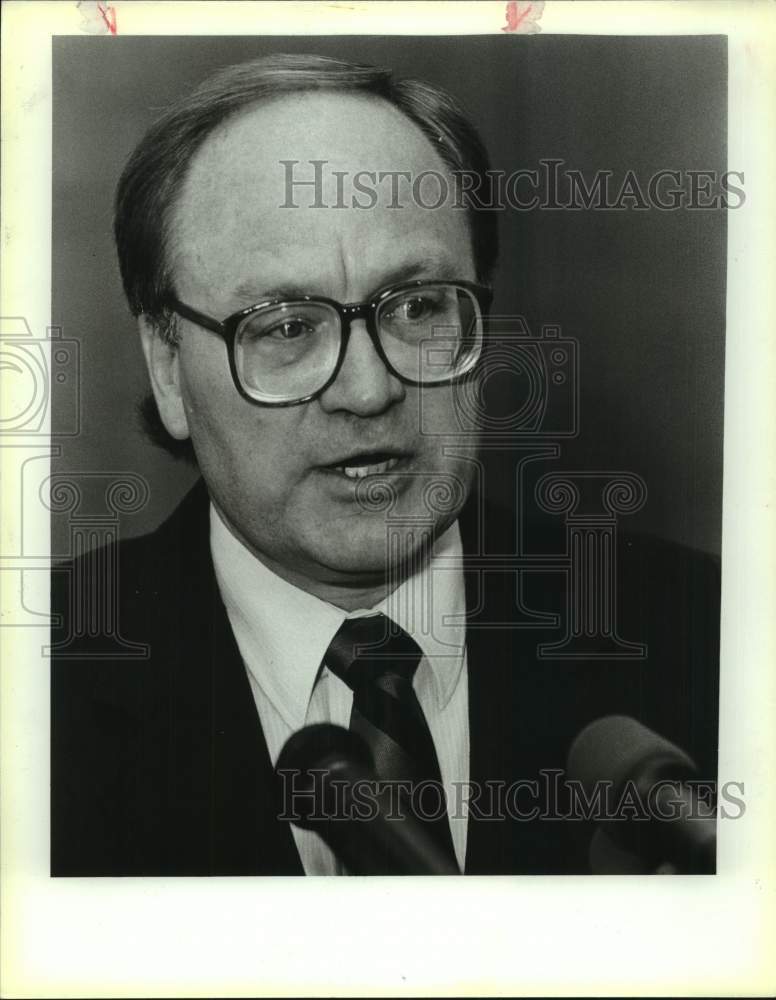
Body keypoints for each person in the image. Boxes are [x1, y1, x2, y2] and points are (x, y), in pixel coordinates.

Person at [51, 53, 720, 876]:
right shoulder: (39, 691)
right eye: (285, 326)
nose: (367, 391)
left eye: (417, 307)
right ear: (166, 365)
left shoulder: (709, 639)